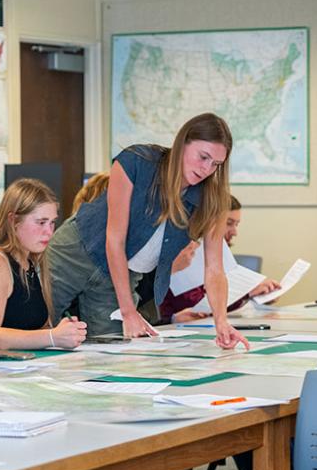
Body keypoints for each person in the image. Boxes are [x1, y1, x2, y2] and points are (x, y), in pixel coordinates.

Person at [47, 112, 248, 349]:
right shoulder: (135, 162)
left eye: (216, 164)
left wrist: (221, 321)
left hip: (121, 275)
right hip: (75, 252)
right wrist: (128, 311)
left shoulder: (211, 199)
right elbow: (115, 240)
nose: (206, 169)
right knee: (40, 326)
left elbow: (214, 270)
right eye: (203, 157)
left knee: (115, 348)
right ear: (182, 144)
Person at [0, 178, 87, 351]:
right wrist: (51, 336)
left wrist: (62, 332)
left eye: (52, 222)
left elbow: (34, 330)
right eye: (41, 222)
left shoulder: (31, 262)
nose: (49, 232)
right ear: (13, 221)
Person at [161, 195, 280, 323]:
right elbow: (193, 302)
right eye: (228, 223)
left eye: (236, 225)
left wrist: (253, 296)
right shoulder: (186, 251)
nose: (234, 232)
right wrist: (246, 293)